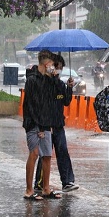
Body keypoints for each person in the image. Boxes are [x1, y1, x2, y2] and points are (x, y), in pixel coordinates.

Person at [34, 53, 79, 193]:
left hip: (58, 124)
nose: (58, 70)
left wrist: (69, 88)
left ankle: (67, 181)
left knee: (63, 152)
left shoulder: (59, 83)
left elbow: (66, 101)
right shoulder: (43, 82)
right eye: (57, 67)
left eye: (60, 68)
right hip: (46, 125)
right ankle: (39, 183)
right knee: (45, 155)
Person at [22, 49, 62, 200]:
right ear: (46, 64)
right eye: (52, 64)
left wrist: (55, 78)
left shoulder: (48, 79)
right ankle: (29, 190)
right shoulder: (32, 80)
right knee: (34, 153)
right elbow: (31, 105)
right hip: (33, 123)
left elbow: (57, 96)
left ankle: (46, 188)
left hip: (46, 123)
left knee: (47, 155)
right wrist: (38, 126)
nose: (53, 67)